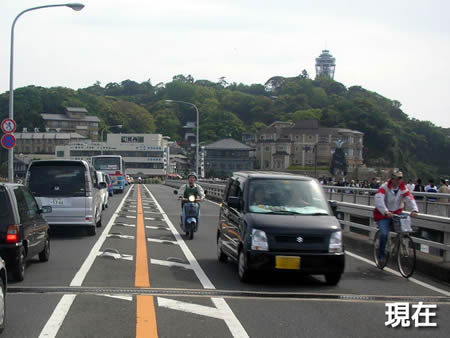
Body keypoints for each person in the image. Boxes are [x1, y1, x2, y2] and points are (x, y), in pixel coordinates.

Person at [374, 170, 418, 264]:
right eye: (397, 179)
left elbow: (410, 198)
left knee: (406, 226)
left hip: (397, 212)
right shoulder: (384, 187)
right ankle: (381, 255)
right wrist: (385, 211)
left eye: (400, 179)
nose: (399, 181)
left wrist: (414, 209)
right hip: (384, 215)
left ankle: (403, 245)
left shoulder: (403, 188)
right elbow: (379, 200)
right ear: (392, 179)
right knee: (384, 234)